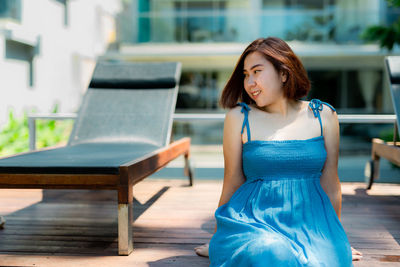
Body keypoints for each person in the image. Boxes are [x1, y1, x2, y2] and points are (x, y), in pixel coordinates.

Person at [194, 37, 363, 265]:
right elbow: (232, 181)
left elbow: (331, 183)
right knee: (272, 251)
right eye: (245, 75)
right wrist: (218, 239)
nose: (249, 82)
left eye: (257, 72)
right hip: (254, 224)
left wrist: (336, 239)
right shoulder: (239, 118)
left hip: (312, 226)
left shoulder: (324, 115)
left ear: (284, 73)